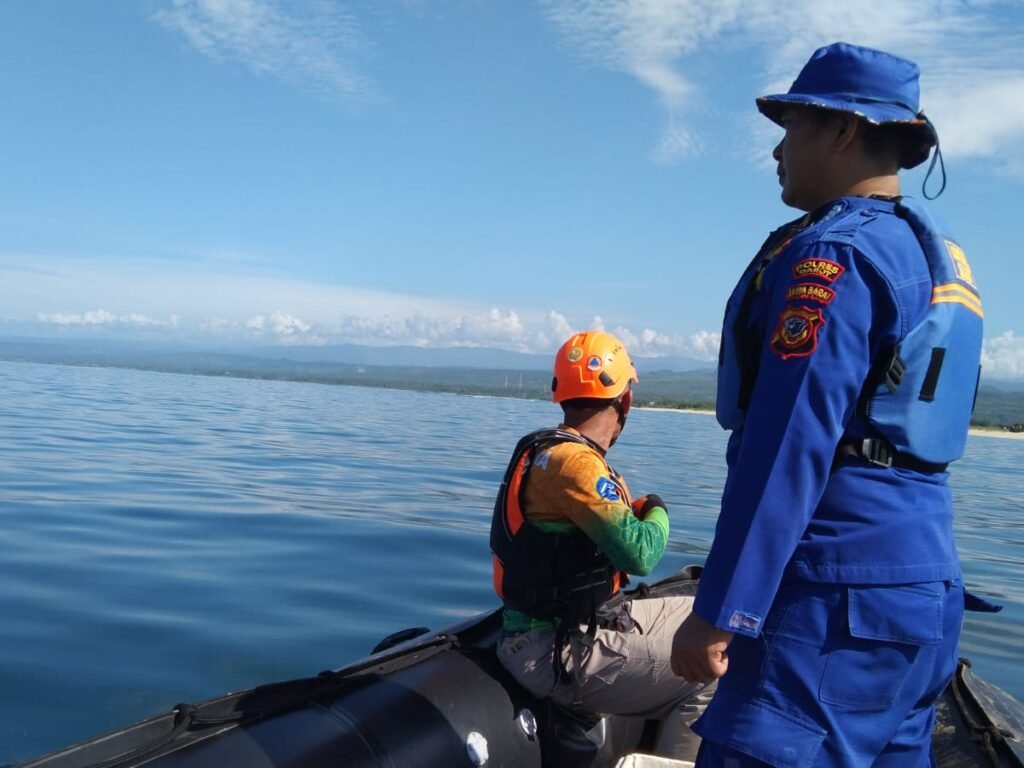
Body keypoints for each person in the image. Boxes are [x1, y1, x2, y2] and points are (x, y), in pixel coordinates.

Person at [671, 42, 986, 766]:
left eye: (793, 125)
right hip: (922, 594)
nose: (778, 148)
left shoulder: (832, 257)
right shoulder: (937, 257)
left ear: (845, 129)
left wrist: (722, 611)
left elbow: (788, 444)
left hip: (831, 601)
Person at [491, 329, 712, 737]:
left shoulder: (548, 451)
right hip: (554, 651)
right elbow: (641, 555)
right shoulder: (575, 464)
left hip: (575, 625)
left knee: (712, 613)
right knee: (710, 663)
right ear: (625, 399)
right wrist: (658, 510)